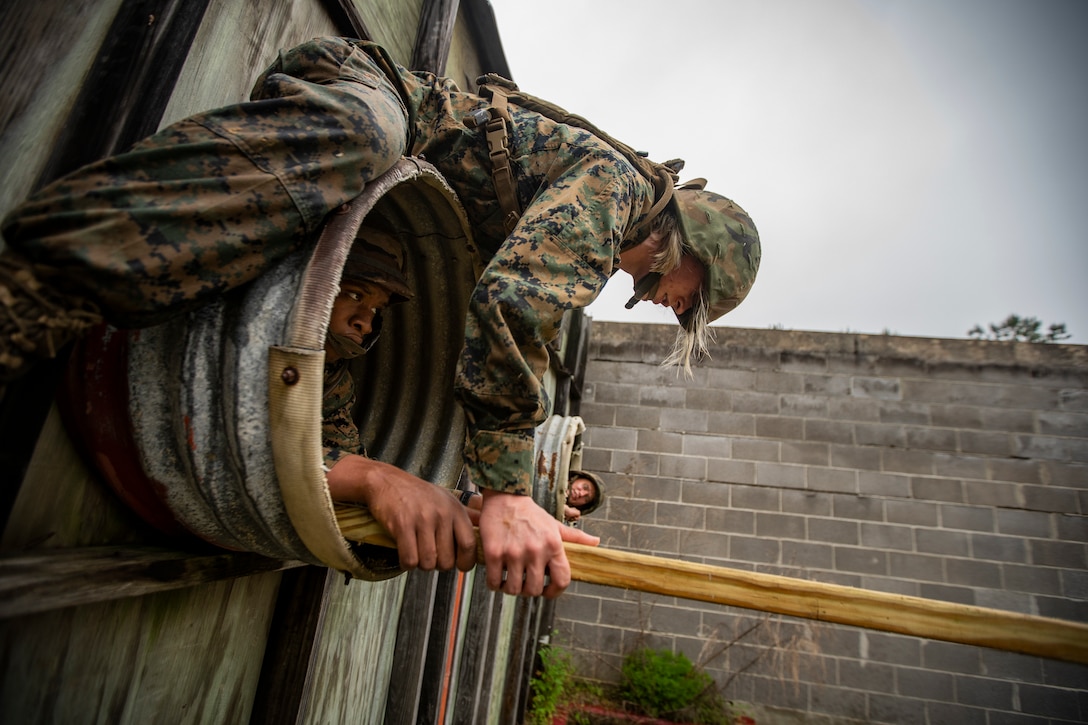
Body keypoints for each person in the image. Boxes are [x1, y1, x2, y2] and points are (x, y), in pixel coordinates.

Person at [0, 37, 760, 598]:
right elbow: (515, 307)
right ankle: (33, 283)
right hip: (368, 92)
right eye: (692, 299)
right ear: (693, 251)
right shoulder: (617, 189)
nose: (675, 307)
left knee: (365, 312)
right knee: (365, 137)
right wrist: (507, 493)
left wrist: (473, 489)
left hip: (380, 216)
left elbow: (493, 322)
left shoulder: (600, 232)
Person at [320, 226, 477, 574]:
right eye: (356, 296)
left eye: (377, 309)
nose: (365, 323)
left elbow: (338, 453)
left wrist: (458, 502)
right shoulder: (250, 339)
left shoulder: (333, 381)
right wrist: (374, 480)